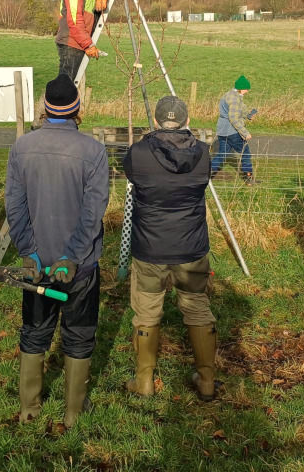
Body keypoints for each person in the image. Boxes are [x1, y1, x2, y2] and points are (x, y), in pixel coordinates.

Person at [4, 74, 109, 427]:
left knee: (35, 330)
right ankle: (73, 413)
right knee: (79, 334)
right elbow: (93, 212)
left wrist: (29, 252)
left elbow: (14, 206)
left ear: (45, 108)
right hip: (80, 267)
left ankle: (29, 410)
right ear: (77, 108)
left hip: (38, 264)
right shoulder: (93, 151)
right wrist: (72, 257)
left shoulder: (22, 147)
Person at [122, 95, 219, 401]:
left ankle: (144, 381)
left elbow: (131, 176)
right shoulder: (203, 153)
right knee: (197, 307)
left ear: (155, 120)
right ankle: (206, 380)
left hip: (150, 246)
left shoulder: (138, 153)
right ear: (187, 121)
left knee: (147, 311)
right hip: (191, 245)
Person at [210, 75, 256, 184]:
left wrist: (248, 115)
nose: (247, 91)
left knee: (221, 155)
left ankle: (205, 175)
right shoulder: (235, 99)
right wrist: (245, 133)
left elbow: (239, 110)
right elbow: (233, 118)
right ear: (241, 88)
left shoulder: (230, 95)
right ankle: (248, 177)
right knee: (245, 153)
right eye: (246, 89)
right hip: (232, 132)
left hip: (222, 131)